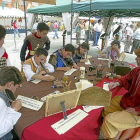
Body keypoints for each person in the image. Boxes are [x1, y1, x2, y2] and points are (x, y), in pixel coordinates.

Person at [100, 47, 140, 140]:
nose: (135, 59)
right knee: (105, 107)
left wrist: (137, 110)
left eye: (138, 57)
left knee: (109, 121)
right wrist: (117, 83)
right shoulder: (137, 70)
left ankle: (111, 137)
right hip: (130, 101)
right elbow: (126, 78)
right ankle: (114, 134)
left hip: (138, 112)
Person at [0, 66, 24, 140]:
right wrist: (14, 109)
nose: (15, 91)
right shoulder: (1, 101)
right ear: (10, 84)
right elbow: (2, 130)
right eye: (16, 88)